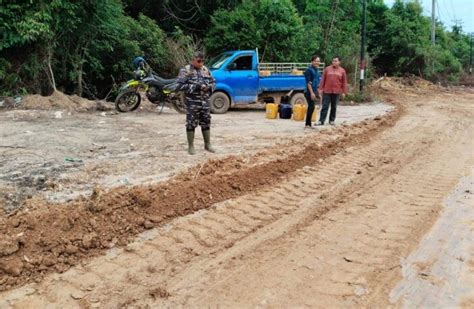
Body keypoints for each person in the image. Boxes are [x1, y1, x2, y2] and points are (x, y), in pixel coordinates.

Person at [176, 52, 216, 155]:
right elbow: (179, 86)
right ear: (193, 60)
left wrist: (209, 88)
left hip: (205, 102)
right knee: (191, 123)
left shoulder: (205, 70)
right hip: (192, 102)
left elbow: (213, 82)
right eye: (199, 61)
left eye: (203, 61)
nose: (201, 63)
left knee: (206, 122)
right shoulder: (185, 70)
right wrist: (195, 87)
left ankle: (207, 144)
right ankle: (191, 146)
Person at [316, 56, 348, 126]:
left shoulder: (342, 71)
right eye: (333, 61)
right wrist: (320, 89)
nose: (334, 62)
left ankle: (332, 120)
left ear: (339, 62)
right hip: (327, 91)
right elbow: (323, 80)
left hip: (336, 91)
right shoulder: (327, 69)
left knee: (334, 106)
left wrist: (343, 92)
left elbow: (344, 82)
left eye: (336, 61)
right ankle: (321, 121)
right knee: (325, 106)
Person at [304, 55, 321, 129]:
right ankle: (307, 125)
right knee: (311, 107)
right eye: (315, 61)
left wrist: (318, 93)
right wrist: (311, 93)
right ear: (312, 61)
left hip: (314, 91)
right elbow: (308, 83)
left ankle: (308, 124)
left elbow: (316, 83)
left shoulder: (317, 70)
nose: (317, 62)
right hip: (308, 91)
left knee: (311, 107)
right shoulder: (309, 70)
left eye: (318, 61)